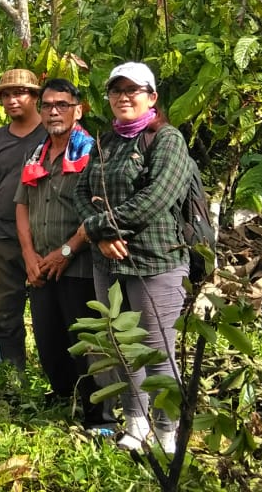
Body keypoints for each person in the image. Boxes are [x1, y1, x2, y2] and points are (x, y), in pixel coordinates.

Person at [74, 62, 193, 453]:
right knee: (120, 342)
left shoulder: (167, 139)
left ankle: (167, 428)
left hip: (156, 259)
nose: (124, 97)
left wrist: (102, 227)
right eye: (116, 90)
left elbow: (158, 198)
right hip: (108, 261)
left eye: (133, 90)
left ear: (152, 97)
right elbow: (80, 191)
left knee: (157, 348)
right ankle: (136, 419)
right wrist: (101, 233)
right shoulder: (105, 142)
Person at [15, 78, 109, 429]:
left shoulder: (92, 152)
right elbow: (22, 205)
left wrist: (67, 251)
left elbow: (100, 211)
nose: (54, 111)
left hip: (79, 264)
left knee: (85, 342)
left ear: (78, 109)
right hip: (39, 264)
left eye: (62, 105)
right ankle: (63, 398)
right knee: (48, 338)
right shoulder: (35, 153)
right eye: (48, 105)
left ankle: (99, 415)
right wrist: (28, 256)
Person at [0, 69, 48, 369]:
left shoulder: (50, 134)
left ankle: (54, 374)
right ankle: (11, 373)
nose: (13, 100)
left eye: (20, 93)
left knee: (46, 311)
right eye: (6, 94)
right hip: (2, 234)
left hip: (43, 236)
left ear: (34, 97)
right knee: (3, 308)